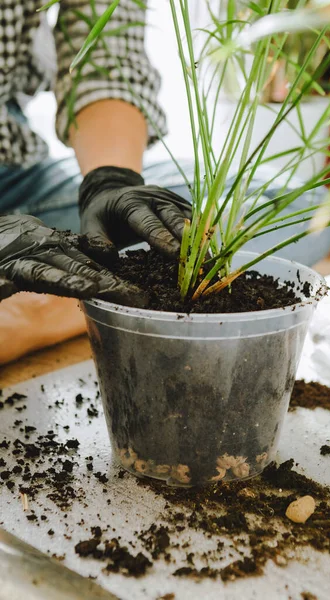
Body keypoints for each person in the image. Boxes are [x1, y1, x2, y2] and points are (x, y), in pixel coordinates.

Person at [0, 0, 192, 364]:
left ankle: (44, 310)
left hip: (10, 168)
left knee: (269, 206)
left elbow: (104, 55)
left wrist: (110, 180)